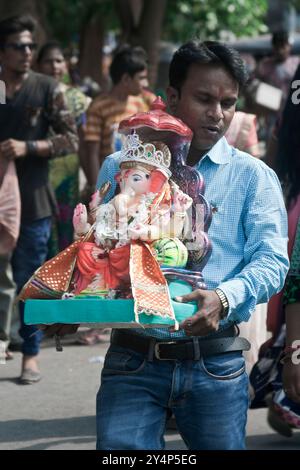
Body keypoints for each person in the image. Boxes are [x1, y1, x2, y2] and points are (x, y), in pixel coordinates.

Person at [47, 40, 290, 450]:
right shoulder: (120, 168)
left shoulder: (253, 177)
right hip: (133, 359)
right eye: (204, 99)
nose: (218, 114)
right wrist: (76, 301)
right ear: (173, 96)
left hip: (215, 361)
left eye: (228, 102)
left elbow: (272, 261)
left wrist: (223, 298)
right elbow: (97, 246)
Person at [0, 15, 78, 384]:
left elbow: (70, 139)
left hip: (33, 200)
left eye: (31, 45)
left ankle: (30, 356)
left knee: (31, 279)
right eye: (18, 46)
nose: (27, 52)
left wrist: (29, 146)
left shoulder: (47, 88)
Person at [78, 44, 153, 345]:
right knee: (103, 247)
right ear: (125, 78)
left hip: (137, 191)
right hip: (110, 187)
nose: (145, 84)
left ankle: (126, 308)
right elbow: (91, 148)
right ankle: (98, 318)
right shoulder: (99, 106)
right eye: (141, 77)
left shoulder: (143, 102)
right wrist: (100, 191)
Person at [36, 41, 91, 256]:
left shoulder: (77, 99)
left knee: (68, 226)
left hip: (68, 174)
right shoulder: (30, 93)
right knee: (41, 229)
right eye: (48, 61)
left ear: (66, 65)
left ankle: (62, 280)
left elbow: (84, 141)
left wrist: (91, 179)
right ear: (38, 65)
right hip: (38, 170)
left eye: (59, 61)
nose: (54, 66)